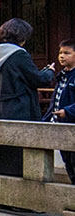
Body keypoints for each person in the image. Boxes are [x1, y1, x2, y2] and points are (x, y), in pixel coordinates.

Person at [0, 18, 57, 177]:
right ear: (22, 37)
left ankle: (1, 195)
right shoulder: (19, 55)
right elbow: (37, 79)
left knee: (2, 152)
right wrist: (49, 71)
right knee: (20, 152)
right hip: (20, 108)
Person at [43, 39, 75, 182]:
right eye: (60, 53)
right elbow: (54, 100)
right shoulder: (62, 75)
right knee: (67, 159)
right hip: (61, 123)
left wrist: (67, 111)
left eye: (67, 53)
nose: (62, 56)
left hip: (71, 122)